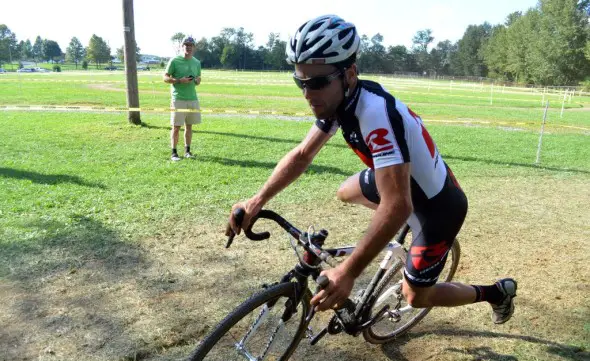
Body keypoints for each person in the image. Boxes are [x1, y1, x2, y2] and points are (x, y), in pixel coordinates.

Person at [227, 15, 517, 324]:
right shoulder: (338, 101)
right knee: (345, 191)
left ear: (349, 74)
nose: (308, 94)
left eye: (318, 82)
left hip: (438, 207)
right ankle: (393, 235)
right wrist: (256, 201)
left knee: (415, 296)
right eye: (301, 82)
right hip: (402, 185)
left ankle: (496, 293)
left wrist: (348, 271)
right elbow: (301, 155)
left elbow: (398, 203)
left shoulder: (376, 113)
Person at [163, 36, 202, 161]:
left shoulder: (197, 63)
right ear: (182, 46)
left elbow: (198, 81)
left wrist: (197, 80)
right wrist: (179, 80)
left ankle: (187, 151)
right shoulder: (174, 60)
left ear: (194, 47)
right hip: (178, 98)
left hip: (192, 98)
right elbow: (165, 78)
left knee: (189, 126)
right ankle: (174, 153)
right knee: (176, 127)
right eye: (186, 45)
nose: (188, 47)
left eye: (191, 45)